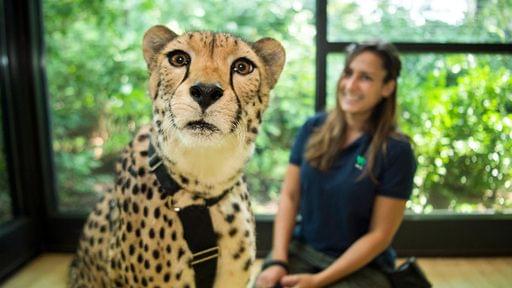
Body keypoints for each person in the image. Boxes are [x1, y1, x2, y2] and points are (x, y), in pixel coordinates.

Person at [255, 41, 416, 288]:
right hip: (303, 250)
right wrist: (278, 260)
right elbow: (289, 195)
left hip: (361, 266)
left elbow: (380, 235)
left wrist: (318, 281)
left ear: (387, 87)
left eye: (366, 78)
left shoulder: (396, 151)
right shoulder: (313, 128)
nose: (351, 85)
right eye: (348, 73)